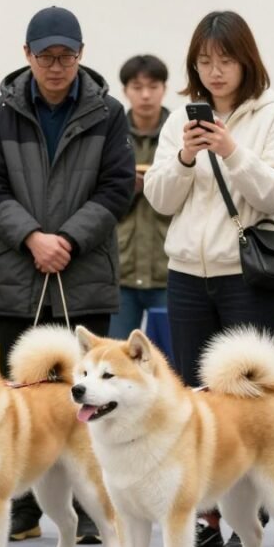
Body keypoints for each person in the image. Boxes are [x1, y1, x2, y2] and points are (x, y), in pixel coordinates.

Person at [0, 6, 135, 544]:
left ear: (81, 55)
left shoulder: (108, 113)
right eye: (46, 57)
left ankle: (94, 507)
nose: (56, 67)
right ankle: (21, 504)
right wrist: (32, 238)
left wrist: (67, 239)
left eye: (66, 56)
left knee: (89, 392)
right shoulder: (0, 112)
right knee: (17, 397)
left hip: (82, 273)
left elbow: (116, 187)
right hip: (19, 273)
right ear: (27, 56)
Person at [144, 10, 274, 547]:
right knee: (192, 397)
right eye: (204, 61)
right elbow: (160, 199)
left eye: (224, 60)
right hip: (187, 273)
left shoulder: (273, 113)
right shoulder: (178, 121)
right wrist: (187, 154)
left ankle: (247, 520)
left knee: (247, 403)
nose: (214, 71)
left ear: (245, 60)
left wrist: (231, 149)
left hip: (246, 276)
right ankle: (205, 515)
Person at [109, 55, 172, 339]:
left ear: (164, 88)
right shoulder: (110, 133)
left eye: (153, 86)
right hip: (120, 271)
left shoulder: (182, 134)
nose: (145, 95)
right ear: (125, 91)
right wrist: (126, 189)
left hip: (170, 270)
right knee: (114, 363)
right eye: (137, 87)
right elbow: (95, 200)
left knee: (175, 363)